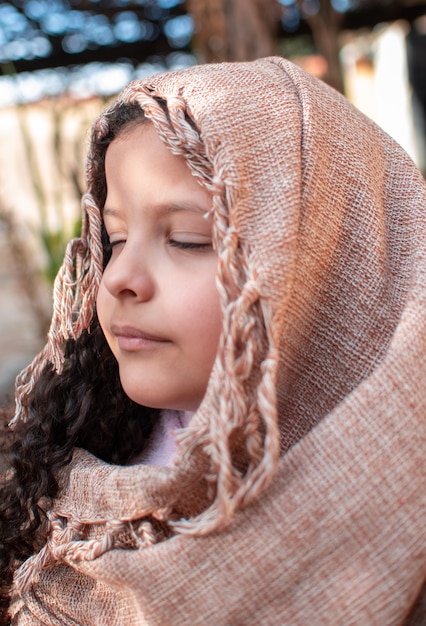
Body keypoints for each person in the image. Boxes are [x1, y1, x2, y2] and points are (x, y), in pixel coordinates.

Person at [0, 57, 425, 625]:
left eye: (188, 239)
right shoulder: (60, 494)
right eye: (116, 236)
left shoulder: (400, 504)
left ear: (322, 269)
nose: (119, 276)